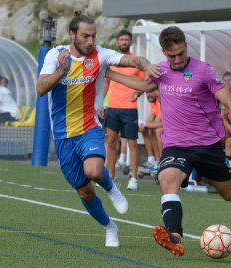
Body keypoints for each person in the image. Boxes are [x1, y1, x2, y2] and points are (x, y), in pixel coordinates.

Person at [105, 26, 231, 256]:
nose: (177, 59)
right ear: (164, 52)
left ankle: (224, 176)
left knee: (229, 195)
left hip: (207, 145)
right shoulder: (160, 70)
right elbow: (144, 86)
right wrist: (108, 72)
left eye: (180, 53)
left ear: (185, 47)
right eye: (171, 55)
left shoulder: (203, 70)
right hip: (176, 144)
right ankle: (174, 236)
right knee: (167, 179)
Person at [36, 11, 158, 247]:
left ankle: (112, 187)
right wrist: (61, 71)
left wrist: (146, 64)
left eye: (93, 36)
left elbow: (132, 61)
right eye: (85, 36)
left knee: (93, 170)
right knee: (85, 193)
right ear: (72, 35)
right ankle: (110, 228)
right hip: (62, 136)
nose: (90, 41)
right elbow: (41, 89)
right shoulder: (55, 55)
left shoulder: (100, 55)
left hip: (89, 127)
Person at [103, 29, 145, 191]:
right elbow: (106, 82)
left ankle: (133, 178)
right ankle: (111, 177)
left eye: (126, 40)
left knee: (132, 143)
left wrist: (139, 93)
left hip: (129, 108)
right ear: (117, 42)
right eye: (121, 40)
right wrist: (100, 103)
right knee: (111, 142)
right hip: (112, 107)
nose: (124, 42)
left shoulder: (136, 61)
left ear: (131, 42)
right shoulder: (112, 60)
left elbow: (145, 81)